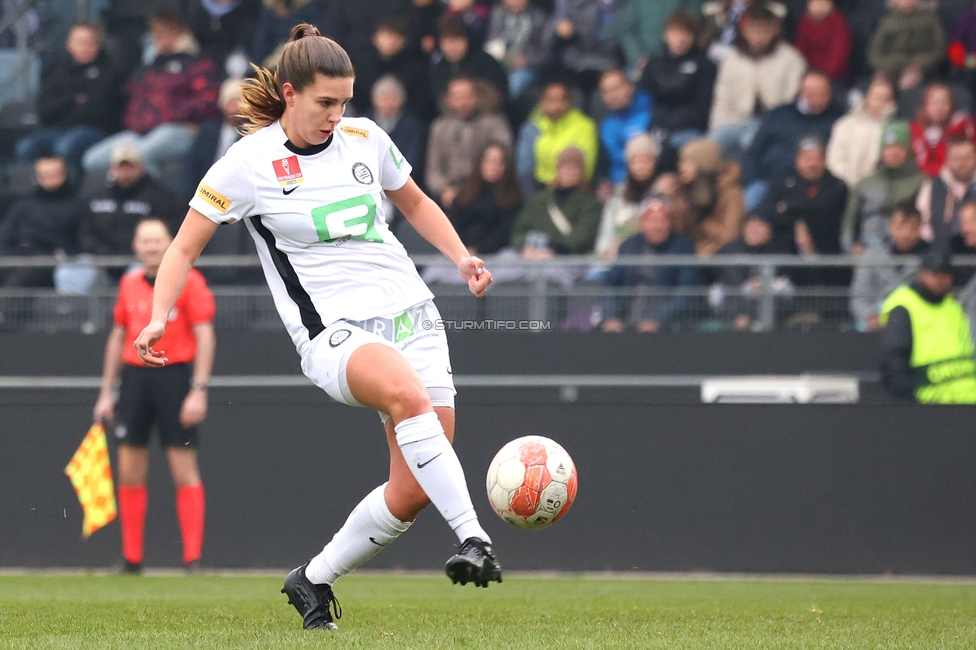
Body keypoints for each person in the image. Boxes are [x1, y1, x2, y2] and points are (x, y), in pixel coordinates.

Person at [131, 25, 501, 631]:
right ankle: (475, 537)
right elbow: (181, 249)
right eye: (325, 102)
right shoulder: (247, 164)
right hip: (334, 331)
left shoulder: (365, 137)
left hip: (414, 313)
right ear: (288, 92)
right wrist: (157, 315)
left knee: (410, 491)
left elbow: (413, 202)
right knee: (410, 401)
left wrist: (461, 258)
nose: (337, 115)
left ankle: (314, 578)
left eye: (345, 102)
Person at [93, 218, 215, 573]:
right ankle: (132, 558)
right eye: (145, 241)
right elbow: (118, 337)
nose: (151, 247)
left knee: (183, 468)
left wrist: (199, 389)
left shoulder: (190, 282)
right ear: (135, 246)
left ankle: (192, 558)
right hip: (134, 378)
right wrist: (106, 392)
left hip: (174, 376)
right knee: (129, 470)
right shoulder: (129, 284)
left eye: (157, 241)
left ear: (169, 244)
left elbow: (205, 333)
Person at [81, 12, 222, 177]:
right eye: (158, 34)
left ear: (182, 34)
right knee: (92, 160)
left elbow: (208, 99)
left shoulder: (197, 64)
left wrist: (173, 114)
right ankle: (117, 200)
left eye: (168, 33)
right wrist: (135, 122)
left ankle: (149, 201)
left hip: (180, 129)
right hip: (141, 133)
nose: (163, 39)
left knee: (135, 158)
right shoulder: (148, 68)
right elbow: (133, 101)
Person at [14, 22, 123, 168]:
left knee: (66, 147)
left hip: (95, 131)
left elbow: (97, 111)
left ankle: (68, 188)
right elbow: (44, 108)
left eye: (89, 42)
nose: (84, 47)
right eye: (79, 42)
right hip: (58, 130)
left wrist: (64, 107)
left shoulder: (109, 71)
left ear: (98, 44)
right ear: (68, 44)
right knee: (25, 147)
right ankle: (36, 188)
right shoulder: (56, 69)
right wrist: (73, 99)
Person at [708, 3, 807, 157]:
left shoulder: (791, 60)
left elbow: (790, 104)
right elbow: (721, 99)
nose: (758, 37)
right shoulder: (733, 59)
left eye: (764, 31)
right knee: (709, 148)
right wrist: (717, 127)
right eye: (753, 31)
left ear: (775, 30)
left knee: (751, 148)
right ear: (744, 31)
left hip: (770, 126)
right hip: (734, 121)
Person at [879, 249, 976, 403]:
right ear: (921, 274)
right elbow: (895, 363)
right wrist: (913, 407)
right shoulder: (905, 306)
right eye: (935, 274)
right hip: (931, 404)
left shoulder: (953, 306)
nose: (940, 279)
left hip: (968, 403)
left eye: (945, 274)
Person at [740, 70, 843, 211]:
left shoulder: (839, 121)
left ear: (829, 95)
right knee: (749, 201)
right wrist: (754, 178)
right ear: (800, 92)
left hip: (814, 188)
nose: (815, 99)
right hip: (769, 182)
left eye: (821, 94)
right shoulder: (777, 115)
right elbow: (753, 153)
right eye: (810, 93)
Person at [601, 194, 699, 333]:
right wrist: (611, 317)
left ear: (670, 222)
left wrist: (657, 320)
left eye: (663, 220)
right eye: (652, 220)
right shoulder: (629, 247)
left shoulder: (683, 247)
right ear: (643, 222)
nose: (657, 226)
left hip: (667, 326)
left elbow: (686, 290)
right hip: (628, 321)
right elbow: (610, 282)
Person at [757, 135, 848, 283]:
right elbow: (772, 213)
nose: (812, 164)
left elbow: (826, 208)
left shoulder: (837, 185)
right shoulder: (782, 184)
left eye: (817, 158)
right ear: (797, 160)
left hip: (828, 263)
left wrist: (790, 207)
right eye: (807, 158)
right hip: (789, 262)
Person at [78, 144, 184, 269]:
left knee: (138, 271)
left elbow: (170, 230)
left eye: (130, 167)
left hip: (140, 259)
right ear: (111, 169)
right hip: (100, 258)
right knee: (73, 271)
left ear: (142, 167)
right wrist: (100, 251)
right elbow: (84, 231)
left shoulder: (160, 197)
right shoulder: (96, 197)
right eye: (121, 167)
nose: (125, 172)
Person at [425, 77, 512, 209]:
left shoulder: (494, 124)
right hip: (449, 192)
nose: (462, 102)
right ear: (448, 99)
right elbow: (433, 170)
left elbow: (505, 160)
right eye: (457, 97)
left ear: (476, 97)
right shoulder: (439, 127)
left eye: (466, 96)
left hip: (485, 191)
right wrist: (444, 189)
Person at [841, 120, 926, 252]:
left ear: (908, 149)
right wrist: (851, 247)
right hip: (867, 250)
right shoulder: (864, 184)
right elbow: (850, 220)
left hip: (908, 250)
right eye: (888, 147)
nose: (893, 152)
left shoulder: (921, 182)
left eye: (899, 147)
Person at [639, 12, 717, 151]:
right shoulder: (653, 65)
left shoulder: (705, 66)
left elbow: (701, 109)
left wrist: (670, 127)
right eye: (675, 33)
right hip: (655, 128)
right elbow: (644, 101)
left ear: (694, 37)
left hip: (689, 130)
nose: (680, 39)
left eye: (685, 34)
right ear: (665, 35)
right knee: (638, 146)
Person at [0, 156, 81, 288]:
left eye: (54, 174)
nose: (49, 178)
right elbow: (5, 234)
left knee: (23, 278)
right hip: (20, 253)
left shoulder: (76, 205)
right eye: (44, 174)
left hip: (51, 259)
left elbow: (80, 240)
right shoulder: (25, 204)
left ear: (64, 174)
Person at [510, 146, 603, 259]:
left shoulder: (590, 203)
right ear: (558, 169)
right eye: (565, 167)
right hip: (531, 254)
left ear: (582, 171)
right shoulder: (539, 200)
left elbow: (583, 238)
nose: (569, 172)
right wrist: (525, 247)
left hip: (567, 258)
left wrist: (554, 249)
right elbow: (520, 230)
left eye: (574, 168)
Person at [849, 203, 930, 332]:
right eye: (901, 226)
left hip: (918, 323)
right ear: (891, 227)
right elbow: (859, 298)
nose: (906, 233)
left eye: (913, 227)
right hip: (876, 321)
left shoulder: (930, 257)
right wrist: (871, 317)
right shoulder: (872, 256)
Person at [515, 80, 598, 196]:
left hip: (574, 187)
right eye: (549, 100)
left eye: (559, 100)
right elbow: (524, 167)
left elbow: (586, 167)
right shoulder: (533, 126)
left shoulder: (584, 126)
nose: (554, 105)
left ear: (569, 102)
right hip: (541, 187)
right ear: (541, 102)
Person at [354, 18, 435, 122]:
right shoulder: (363, 68)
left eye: (395, 37)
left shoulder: (414, 69)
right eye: (386, 36)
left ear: (403, 41)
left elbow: (420, 104)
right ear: (375, 38)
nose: (390, 41)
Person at [673, 138, 745, 255]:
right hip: (690, 256)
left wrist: (702, 221)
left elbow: (730, 237)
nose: (681, 167)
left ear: (704, 164)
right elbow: (678, 233)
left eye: (688, 162)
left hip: (719, 257)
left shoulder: (731, 194)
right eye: (681, 162)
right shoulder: (683, 190)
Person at [449, 143, 523, 255]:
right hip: (461, 253)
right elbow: (453, 225)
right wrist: (463, 250)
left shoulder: (513, 199)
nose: (493, 166)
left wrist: (478, 250)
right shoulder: (465, 194)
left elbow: (504, 233)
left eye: (499, 162)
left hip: (498, 254)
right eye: (489, 161)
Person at [594, 133, 660, 259]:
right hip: (613, 260)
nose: (640, 167)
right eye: (634, 162)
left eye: (645, 161)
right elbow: (606, 230)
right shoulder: (618, 194)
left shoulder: (662, 192)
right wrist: (604, 251)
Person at [826, 76, 897, 188]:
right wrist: (846, 183)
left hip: (874, 187)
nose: (880, 103)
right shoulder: (845, 125)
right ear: (866, 98)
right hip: (842, 186)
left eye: (886, 99)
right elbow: (834, 159)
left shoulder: (894, 129)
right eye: (877, 98)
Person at [867, 0, 946, 93]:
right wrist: (886, 64)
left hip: (919, 66)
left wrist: (922, 63)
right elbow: (875, 51)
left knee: (908, 83)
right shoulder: (887, 20)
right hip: (890, 64)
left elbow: (938, 48)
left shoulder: (929, 19)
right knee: (879, 84)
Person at [429, 17, 509, 105]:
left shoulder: (485, 62)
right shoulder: (438, 68)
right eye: (447, 42)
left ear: (466, 41)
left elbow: (499, 93)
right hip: (450, 116)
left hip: (486, 113)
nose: (452, 47)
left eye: (457, 41)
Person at [916, 137, 976, 248]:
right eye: (956, 159)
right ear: (947, 160)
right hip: (941, 255)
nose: (962, 163)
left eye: (967, 158)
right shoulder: (931, 186)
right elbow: (923, 223)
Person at [484, 0, 550, 100]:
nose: (515, 2)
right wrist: (509, 57)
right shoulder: (498, 13)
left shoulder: (538, 16)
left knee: (513, 85)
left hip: (528, 66)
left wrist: (527, 61)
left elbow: (545, 51)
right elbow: (491, 42)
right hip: (500, 61)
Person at [596, 70, 652, 186]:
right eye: (606, 91)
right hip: (619, 185)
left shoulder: (650, 112)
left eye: (616, 88)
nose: (612, 95)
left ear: (630, 87)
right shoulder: (607, 126)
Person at [616, 0, 704, 72]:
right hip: (643, 62)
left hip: (681, 62)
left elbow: (693, 24)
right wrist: (638, 57)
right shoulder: (638, 2)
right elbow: (626, 31)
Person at [909, 83, 976, 177]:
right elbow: (923, 165)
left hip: (967, 175)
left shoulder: (964, 124)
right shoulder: (917, 128)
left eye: (944, 102)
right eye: (933, 103)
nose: (939, 108)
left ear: (951, 105)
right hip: (934, 178)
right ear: (925, 106)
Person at [793, 0, 852, 83]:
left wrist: (824, 76)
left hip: (832, 77)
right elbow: (799, 51)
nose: (818, 6)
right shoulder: (804, 21)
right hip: (807, 74)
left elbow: (839, 54)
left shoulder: (838, 22)